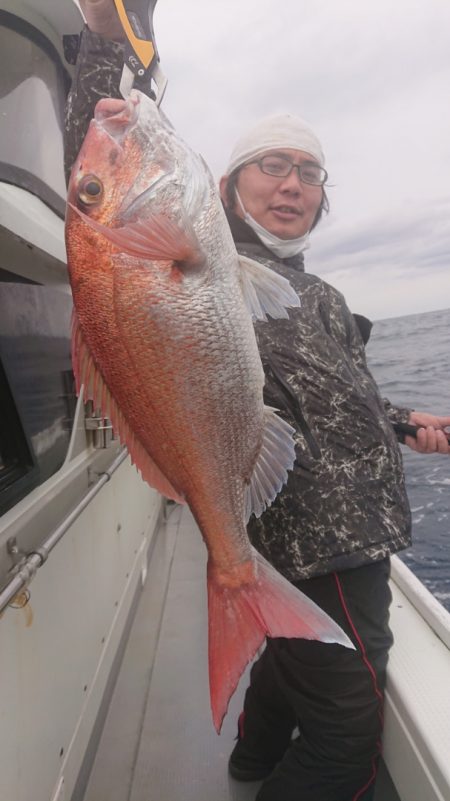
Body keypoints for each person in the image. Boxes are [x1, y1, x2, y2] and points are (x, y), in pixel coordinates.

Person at [64, 3, 450, 799]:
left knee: (284, 670)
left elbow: (349, 395)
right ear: (227, 184)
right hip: (318, 546)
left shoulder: (327, 297)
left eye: (309, 172)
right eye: (271, 165)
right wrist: (106, 39)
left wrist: (410, 422)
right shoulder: (204, 260)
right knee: (347, 738)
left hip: (358, 530)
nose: (292, 185)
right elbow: (96, 168)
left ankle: (247, 759)